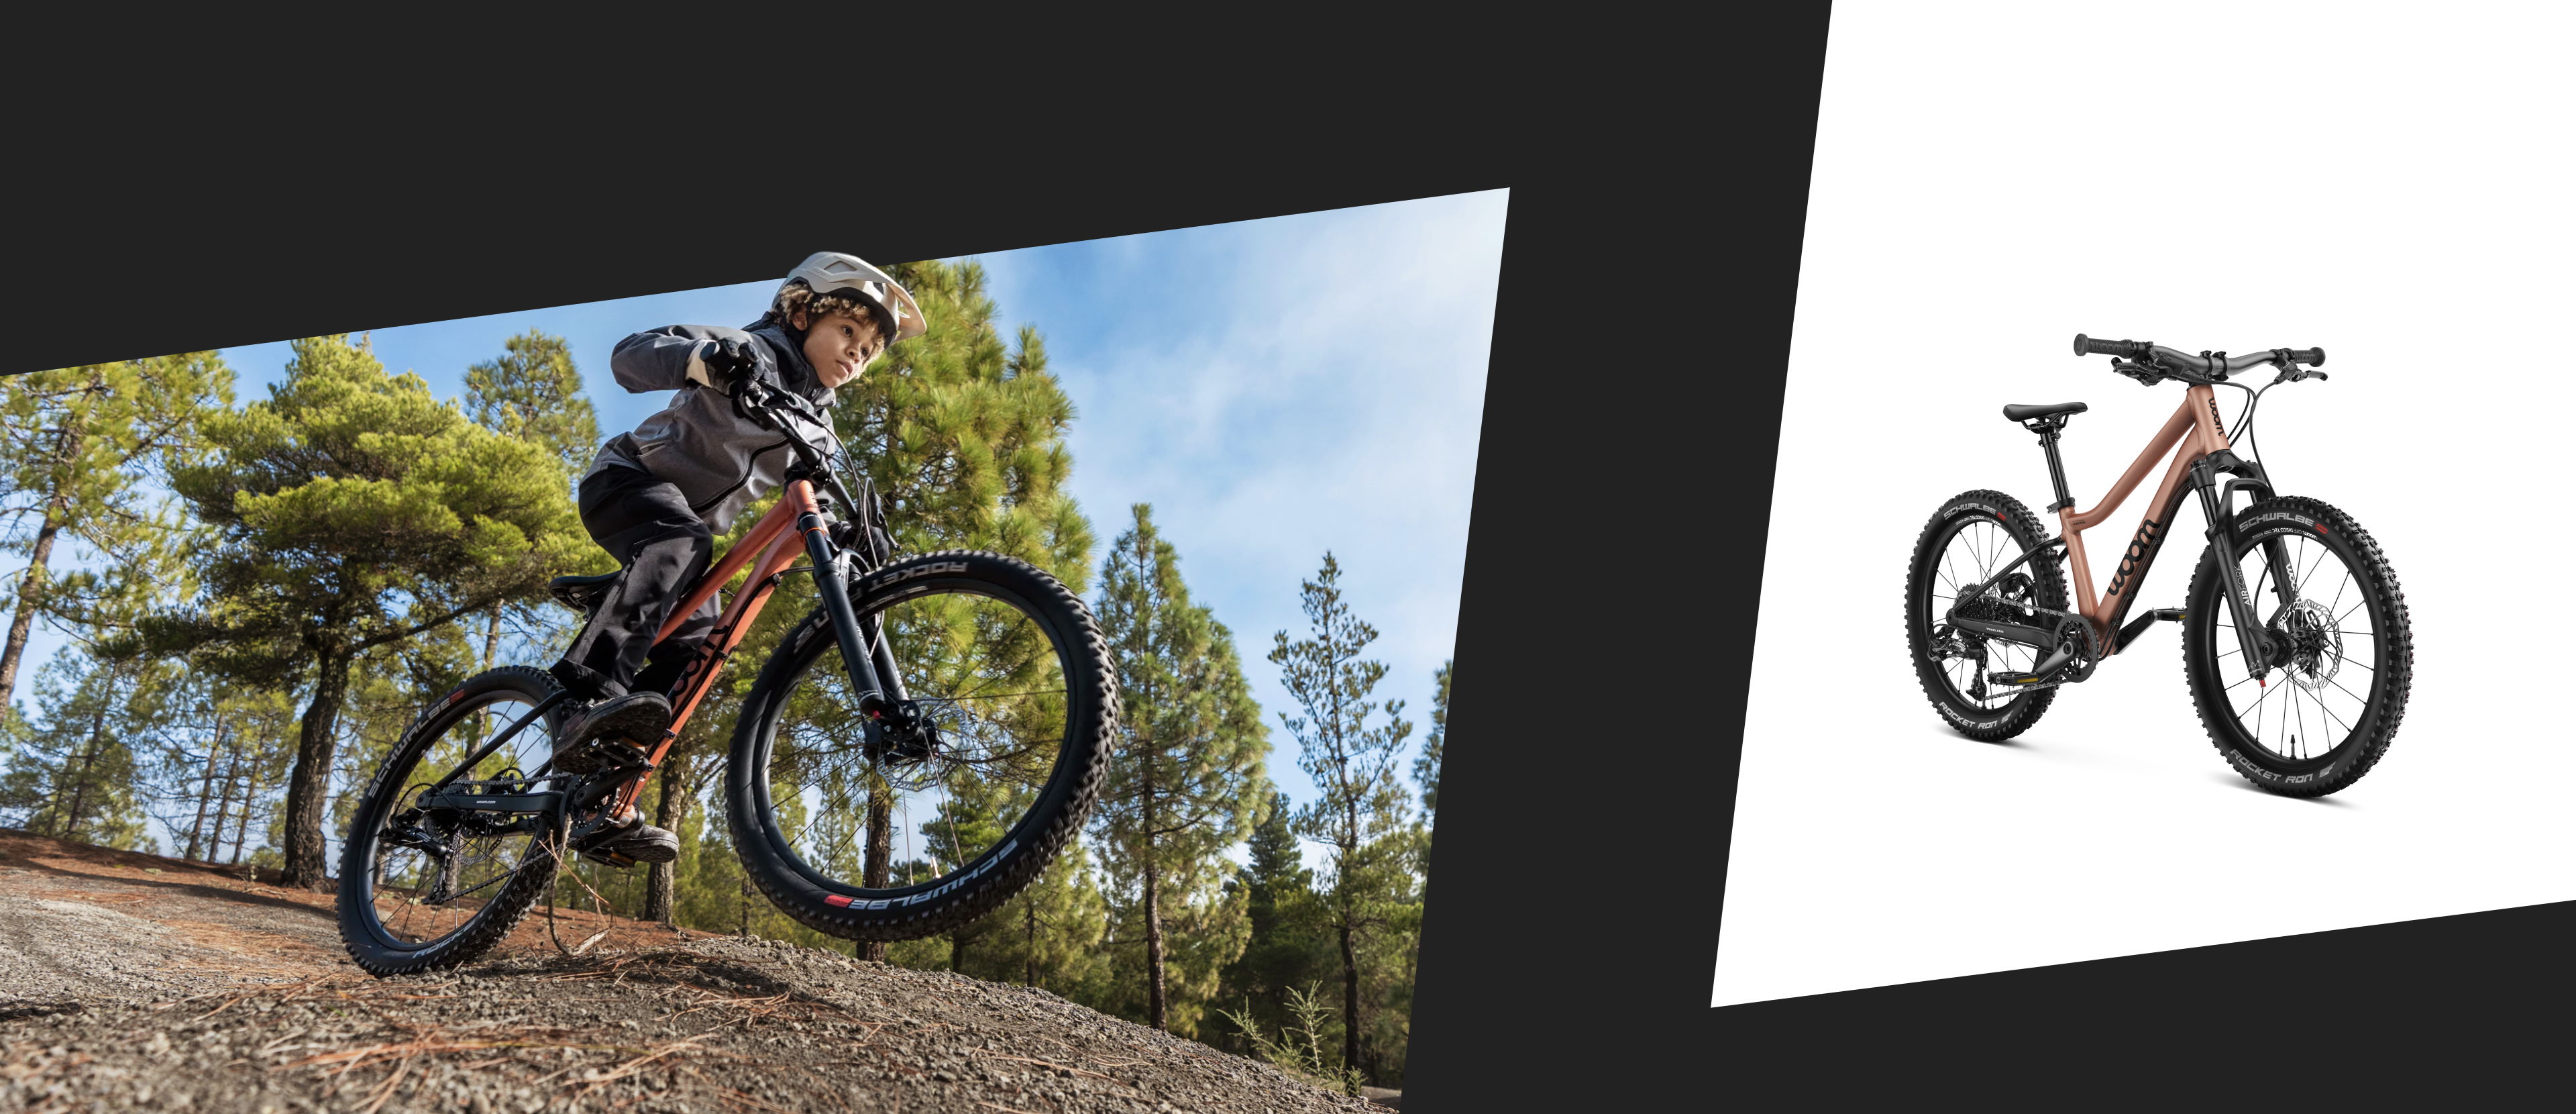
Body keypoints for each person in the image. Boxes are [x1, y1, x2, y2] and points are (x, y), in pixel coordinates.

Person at [545, 252, 926, 864]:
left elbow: (823, 493)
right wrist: (703, 360)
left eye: (868, 350)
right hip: (626, 480)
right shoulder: (748, 349)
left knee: (697, 650)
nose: (856, 354)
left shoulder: (818, 427)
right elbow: (629, 357)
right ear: (801, 314)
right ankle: (582, 699)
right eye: (847, 331)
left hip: (683, 540)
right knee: (683, 540)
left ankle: (599, 800)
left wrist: (860, 530)